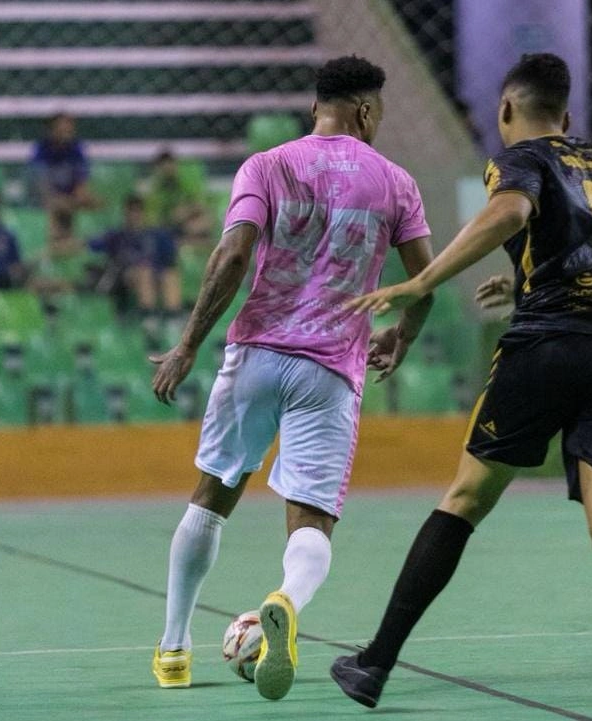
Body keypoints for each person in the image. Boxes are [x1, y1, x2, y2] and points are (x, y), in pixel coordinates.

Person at [331, 53, 592, 721]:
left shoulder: (520, 157)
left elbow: (513, 211)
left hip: (550, 343)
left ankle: (374, 663)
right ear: (568, 114)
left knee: (464, 497)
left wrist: (422, 280)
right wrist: (528, 278)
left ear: (506, 111)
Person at [148, 55, 435, 702]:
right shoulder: (394, 182)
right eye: (379, 112)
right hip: (330, 370)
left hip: (254, 356)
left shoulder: (267, 165)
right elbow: (425, 283)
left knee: (212, 495)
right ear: (364, 110)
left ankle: (172, 648)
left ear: (317, 106)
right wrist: (402, 336)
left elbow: (232, 253)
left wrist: (189, 343)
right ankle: (281, 599)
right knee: (311, 523)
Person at [89, 194, 182, 341]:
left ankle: (173, 321)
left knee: (169, 275)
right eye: (131, 211)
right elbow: (90, 245)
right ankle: (149, 319)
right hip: (125, 277)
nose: (134, 215)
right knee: (144, 271)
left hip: (154, 275)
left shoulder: (155, 235)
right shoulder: (117, 235)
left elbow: (171, 255)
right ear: (125, 213)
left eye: (138, 211)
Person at [139, 149, 213, 248]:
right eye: (164, 167)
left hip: (185, 225)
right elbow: (151, 219)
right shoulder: (152, 190)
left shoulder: (185, 183)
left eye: (171, 164)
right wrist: (172, 217)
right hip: (163, 230)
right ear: (158, 168)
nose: (168, 169)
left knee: (203, 223)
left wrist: (186, 211)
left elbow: (199, 204)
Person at [30, 113, 101, 213]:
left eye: (68, 131)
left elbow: (81, 187)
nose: (65, 134)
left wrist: (76, 198)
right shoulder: (42, 151)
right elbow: (41, 187)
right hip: (45, 199)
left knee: (96, 203)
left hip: (70, 199)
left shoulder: (76, 150)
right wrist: (59, 200)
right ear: (52, 130)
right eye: (61, 131)